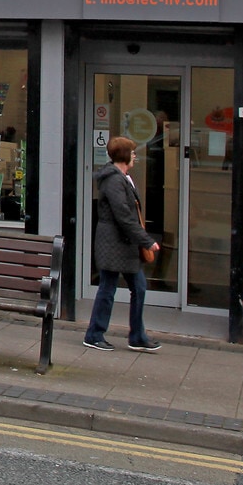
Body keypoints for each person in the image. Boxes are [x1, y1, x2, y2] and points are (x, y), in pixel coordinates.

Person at [85, 135, 163, 353]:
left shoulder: (122, 177)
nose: (135, 156)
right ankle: (94, 334)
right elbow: (124, 216)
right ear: (125, 155)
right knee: (108, 289)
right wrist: (147, 241)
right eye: (133, 152)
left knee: (138, 287)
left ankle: (136, 336)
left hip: (124, 245)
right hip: (113, 244)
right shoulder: (114, 181)